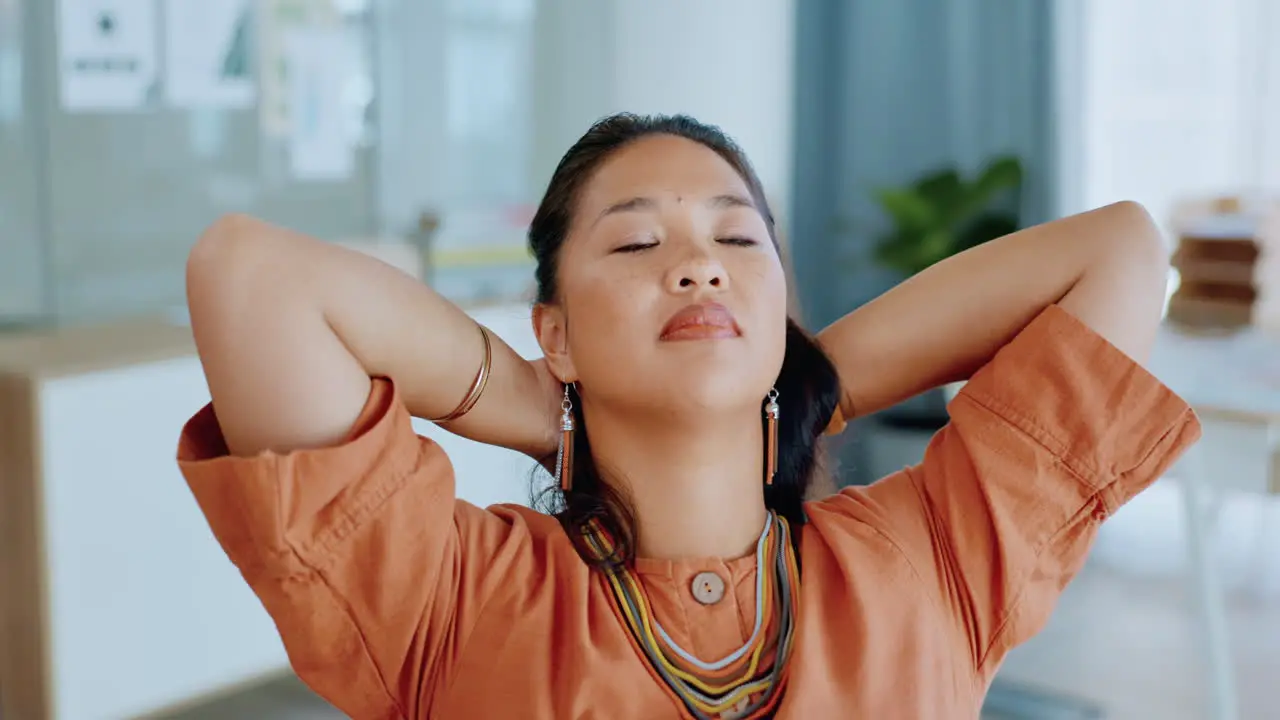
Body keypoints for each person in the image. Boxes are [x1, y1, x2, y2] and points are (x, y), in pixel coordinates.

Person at [178, 114, 1200, 719]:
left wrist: (803, 379)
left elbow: (1116, 252)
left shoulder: (932, 557)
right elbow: (250, 276)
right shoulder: (448, 599)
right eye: (633, 246)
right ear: (556, 330)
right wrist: (528, 396)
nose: (698, 262)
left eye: (737, 241)